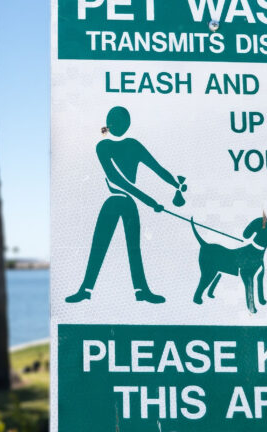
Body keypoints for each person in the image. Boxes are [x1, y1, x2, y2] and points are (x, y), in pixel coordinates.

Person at [66, 106, 182, 304]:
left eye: (121, 121)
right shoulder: (102, 147)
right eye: (113, 121)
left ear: (127, 124)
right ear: (108, 123)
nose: (117, 125)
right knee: (99, 246)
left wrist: (176, 184)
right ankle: (85, 289)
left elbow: (158, 169)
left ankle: (141, 290)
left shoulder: (134, 145)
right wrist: (150, 201)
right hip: (113, 201)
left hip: (129, 204)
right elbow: (116, 179)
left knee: (133, 248)